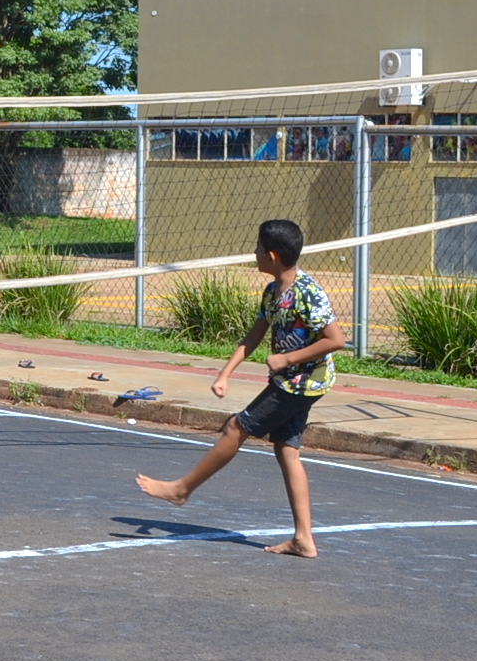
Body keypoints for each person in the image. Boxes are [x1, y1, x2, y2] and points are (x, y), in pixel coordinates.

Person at [135, 218, 343, 559]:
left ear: (272, 256)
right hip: (294, 381)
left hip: (303, 382)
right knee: (286, 450)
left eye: (258, 248)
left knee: (236, 427)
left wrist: (287, 358)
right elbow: (254, 336)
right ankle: (303, 539)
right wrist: (225, 373)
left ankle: (181, 490)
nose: (254, 253)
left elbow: (335, 340)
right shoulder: (273, 292)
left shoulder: (308, 293)